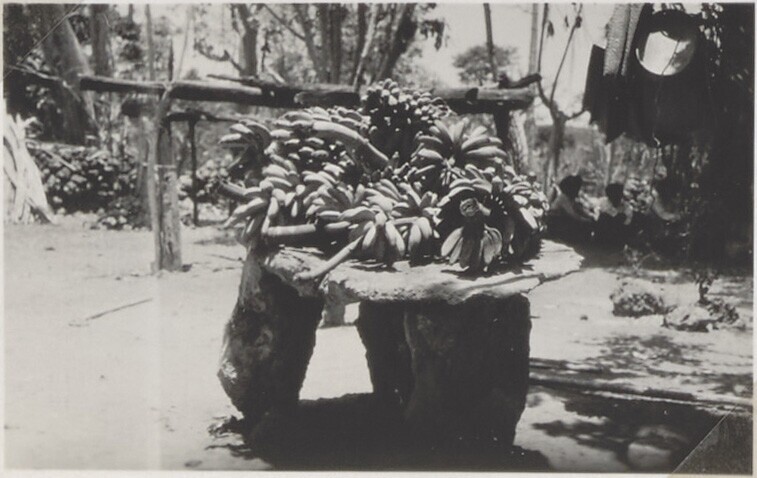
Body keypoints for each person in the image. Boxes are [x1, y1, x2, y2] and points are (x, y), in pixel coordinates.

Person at [546, 175, 594, 242]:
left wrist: (590, 216)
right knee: (582, 224)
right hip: (555, 224)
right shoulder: (563, 198)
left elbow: (580, 209)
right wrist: (586, 220)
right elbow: (573, 214)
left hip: (562, 222)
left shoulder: (570, 198)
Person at [594, 182, 633, 247]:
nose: (617, 197)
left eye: (619, 195)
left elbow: (627, 222)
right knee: (604, 217)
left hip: (616, 237)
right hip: (601, 235)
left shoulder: (626, 207)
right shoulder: (602, 202)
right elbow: (596, 217)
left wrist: (616, 217)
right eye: (614, 195)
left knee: (621, 217)